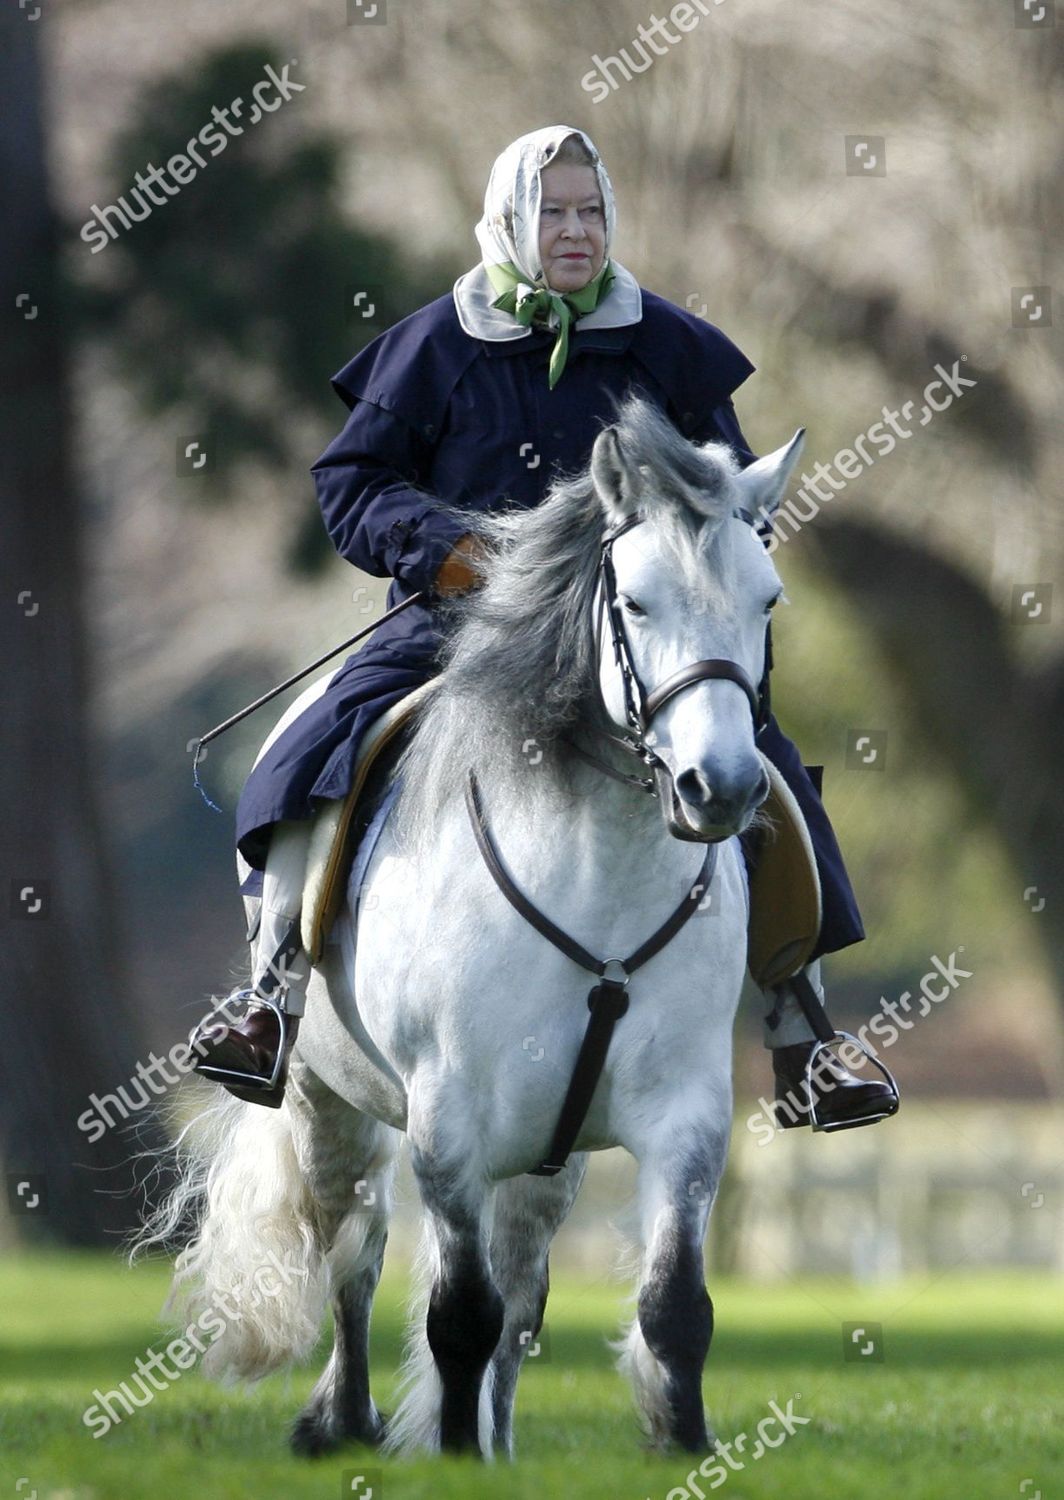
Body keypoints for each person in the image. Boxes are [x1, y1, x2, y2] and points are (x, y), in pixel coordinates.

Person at [191, 125, 897, 1132]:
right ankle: (272, 998)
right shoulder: (435, 344)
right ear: (510, 220)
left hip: (642, 632)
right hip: (463, 622)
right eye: (554, 211)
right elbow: (351, 486)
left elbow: (730, 490)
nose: (575, 231)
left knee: (757, 761)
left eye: (590, 211)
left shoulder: (667, 344)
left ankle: (802, 1032)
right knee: (310, 753)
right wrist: (449, 552)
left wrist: (711, 549)